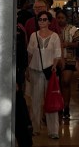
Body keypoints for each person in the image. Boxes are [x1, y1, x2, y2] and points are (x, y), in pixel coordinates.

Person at [27, 11, 63, 139]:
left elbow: (57, 54)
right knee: (35, 101)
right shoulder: (33, 36)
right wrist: (27, 69)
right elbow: (30, 54)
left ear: (49, 21)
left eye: (44, 19)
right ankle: (35, 127)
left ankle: (53, 131)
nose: (42, 22)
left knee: (51, 100)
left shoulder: (55, 36)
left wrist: (55, 65)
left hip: (50, 72)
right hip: (35, 70)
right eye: (40, 20)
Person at [56, 8, 79, 121]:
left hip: (69, 59)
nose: (60, 20)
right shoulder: (53, 29)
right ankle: (59, 106)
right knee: (57, 84)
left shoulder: (72, 29)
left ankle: (66, 106)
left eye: (62, 18)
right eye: (58, 18)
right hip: (56, 60)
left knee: (65, 82)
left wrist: (68, 44)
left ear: (66, 18)